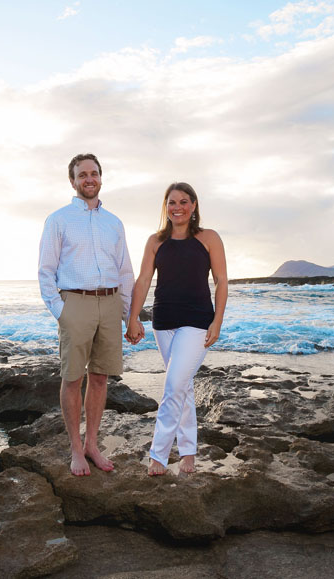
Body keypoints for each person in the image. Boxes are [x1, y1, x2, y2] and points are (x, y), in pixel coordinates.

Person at [38, 153, 135, 476]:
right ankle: (76, 450)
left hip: (109, 302)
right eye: (82, 175)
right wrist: (62, 312)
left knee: (100, 377)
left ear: (101, 178)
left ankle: (92, 443)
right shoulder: (59, 219)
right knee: (72, 378)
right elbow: (46, 271)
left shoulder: (114, 223)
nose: (89, 179)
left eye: (94, 173)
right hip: (74, 303)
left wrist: (129, 315)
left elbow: (124, 272)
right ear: (73, 181)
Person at [125, 182, 227, 475]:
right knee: (181, 385)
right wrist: (133, 318)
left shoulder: (209, 238)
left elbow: (221, 280)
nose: (177, 207)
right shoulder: (155, 241)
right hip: (164, 322)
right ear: (165, 206)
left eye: (184, 201)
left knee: (172, 386)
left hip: (197, 322)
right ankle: (188, 453)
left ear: (194, 205)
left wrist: (217, 321)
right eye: (172, 202)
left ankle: (158, 455)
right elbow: (144, 280)